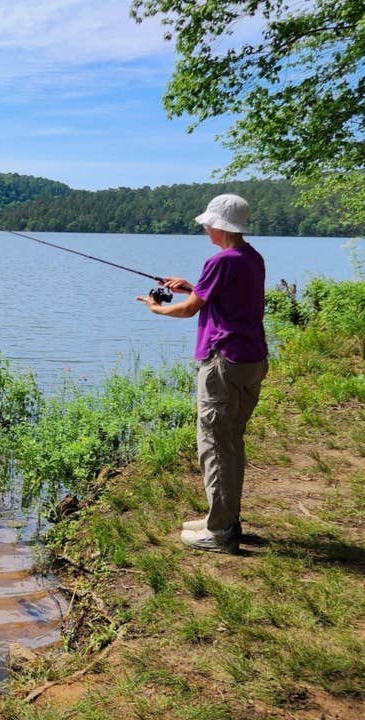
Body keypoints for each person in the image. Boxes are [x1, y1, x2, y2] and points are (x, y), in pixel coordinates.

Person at [137, 194, 268, 553]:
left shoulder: (220, 261)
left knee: (215, 445)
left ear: (221, 226)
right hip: (251, 360)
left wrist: (157, 309)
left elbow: (190, 311)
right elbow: (226, 297)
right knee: (230, 441)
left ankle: (221, 532)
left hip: (224, 363)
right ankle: (223, 517)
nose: (206, 229)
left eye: (209, 224)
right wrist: (194, 285)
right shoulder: (251, 258)